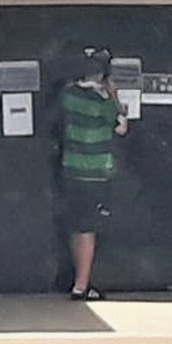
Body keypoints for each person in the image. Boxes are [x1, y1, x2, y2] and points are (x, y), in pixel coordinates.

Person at [57, 47, 128, 300]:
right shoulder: (102, 101)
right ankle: (82, 285)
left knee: (76, 226)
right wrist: (114, 94)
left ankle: (78, 278)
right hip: (96, 173)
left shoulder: (67, 94)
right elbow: (121, 127)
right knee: (88, 228)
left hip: (71, 169)